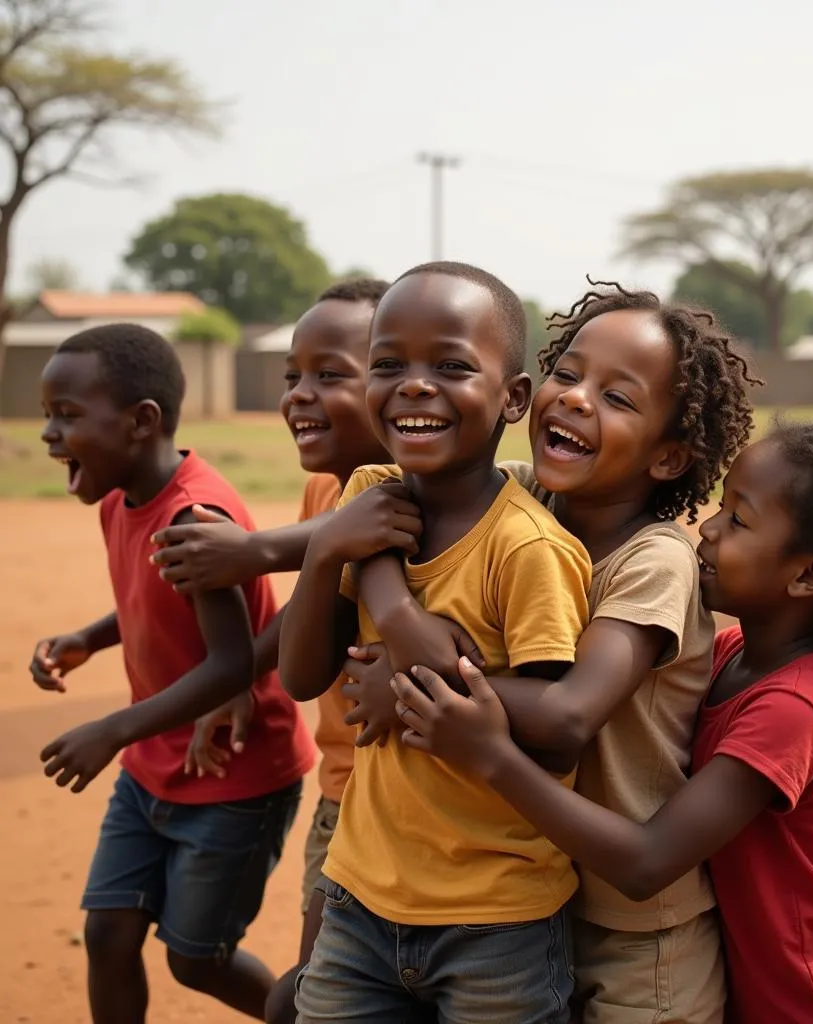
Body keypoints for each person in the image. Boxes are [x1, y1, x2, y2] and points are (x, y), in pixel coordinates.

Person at [393, 421, 813, 1024]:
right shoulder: (731, 654)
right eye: (721, 505)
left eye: (739, 520)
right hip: (748, 978)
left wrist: (489, 753)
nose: (708, 527)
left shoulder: (794, 708)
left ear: (808, 575)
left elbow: (646, 862)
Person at [344, 281, 758, 1023]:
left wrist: (411, 682)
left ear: (667, 458)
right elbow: (382, 506)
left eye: (618, 398)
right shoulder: (521, 500)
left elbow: (569, 713)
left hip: (640, 931)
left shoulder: (652, 560)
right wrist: (395, 613)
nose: (575, 399)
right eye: (569, 374)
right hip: (538, 892)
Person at [279, 261, 592, 1024]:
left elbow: (554, 737)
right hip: (360, 891)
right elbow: (300, 673)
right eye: (388, 365)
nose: (414, 385)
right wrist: (324, 555)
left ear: (514, 398)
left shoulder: (527, 550)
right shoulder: (364, 497)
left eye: (451, 365)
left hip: (497, 916)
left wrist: (419, 677)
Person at [145, 279, 442, 1024]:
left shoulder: (427, 503)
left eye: (330, 374)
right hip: (340, 794)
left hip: (413, 809)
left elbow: (366, 528)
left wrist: (252, 550)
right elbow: (312, 605)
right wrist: (237, 677)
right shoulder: (323, 491)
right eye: (292, 377)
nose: (300, 396)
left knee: (314, 1003)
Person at [30, 324, 317, 1023]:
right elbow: (148, 597)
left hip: (234, 773)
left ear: (142, 421)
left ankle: (311, 1019)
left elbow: (230, 664)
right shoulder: (119, 496)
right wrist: (90, 638)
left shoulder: (195, 520)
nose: (48, 434)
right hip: (153, 762)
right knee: (108, 931)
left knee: (197, 957)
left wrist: (111, 729)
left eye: (67, 415)